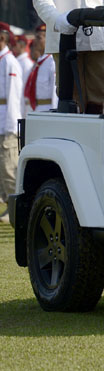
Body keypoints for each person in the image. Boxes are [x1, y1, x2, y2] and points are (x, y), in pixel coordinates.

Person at [0, 22, 22, 224]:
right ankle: (8, 206)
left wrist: (9, 128)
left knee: (9, 168)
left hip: (6, 125)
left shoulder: (9, 63)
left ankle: (15, 209)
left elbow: (13, 98)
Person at [23, 23, 58, 115]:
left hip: (48, 110)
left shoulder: (52, 62)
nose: (35, 41)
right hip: (36, 109)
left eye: (39, 38)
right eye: (36, 38)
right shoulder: (40, 63)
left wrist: (54, 114)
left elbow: (55, 92)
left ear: (48, 40)